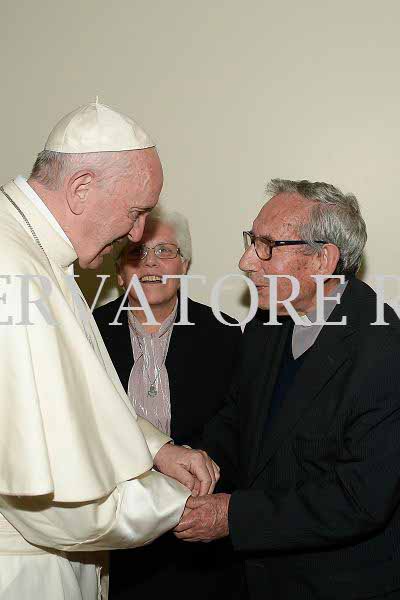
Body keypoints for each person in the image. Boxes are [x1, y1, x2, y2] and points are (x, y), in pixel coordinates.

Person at [0, 100, 219, 600]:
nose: (136, 235)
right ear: (81, 188)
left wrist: (156, 449)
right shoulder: (12, 271)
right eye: (136, 212)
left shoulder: (41, 255)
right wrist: (175, 506)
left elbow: (77, 397)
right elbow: (54, 508)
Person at [174, 179, 400, 600]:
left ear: (322, 260)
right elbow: (238, 422)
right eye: (251, 241)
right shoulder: (267, 324)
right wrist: (192, 463)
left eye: (267, 246)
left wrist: (232, 517)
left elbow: (359, 498)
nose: (246, 261)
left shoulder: (384, 351)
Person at [94, 206, 242, 599]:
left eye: (165, 251)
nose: (151, 263)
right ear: (119, 271)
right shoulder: (87, 335)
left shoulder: (226, 334)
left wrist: (196, 485)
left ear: (185, 264)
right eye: (136, 253)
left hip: (198, 524)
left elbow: (235, 423)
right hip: (111, 529)